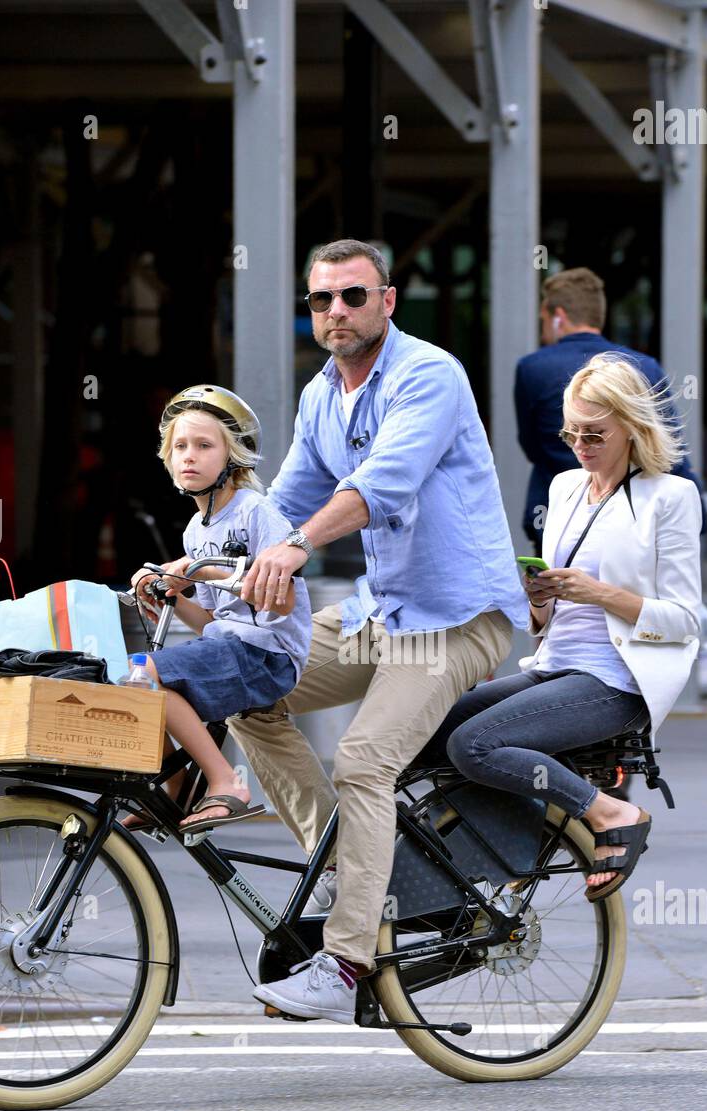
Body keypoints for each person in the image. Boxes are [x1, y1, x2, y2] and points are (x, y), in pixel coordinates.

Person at [226, 237, 528, 1024]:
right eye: (322, 299)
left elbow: (383, 484)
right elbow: (283, 499)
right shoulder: (321, 393)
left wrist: (294, 550)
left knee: (363, 758)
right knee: (248, 689)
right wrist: (200, 558)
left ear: (387, 302)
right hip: (381, 613)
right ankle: (346, 864)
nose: (336, 312)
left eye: (353, 296)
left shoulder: (428, 374)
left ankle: (348, 960)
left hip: (457, 620)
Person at [421, 352, 702, 900]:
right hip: (554, 667)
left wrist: (597, 593)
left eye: (595, 432)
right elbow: (550, 620)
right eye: (572, 431)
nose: (580, 444)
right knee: (423, 729)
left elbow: (684, 622)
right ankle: (503, 848)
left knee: (474, 744)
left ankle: (612, 812)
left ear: (632, 427)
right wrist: (540, 601)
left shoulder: (670, 496)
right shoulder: (565, 488)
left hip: (616, 681)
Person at [127, 385, 312, 835]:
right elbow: (211, 622)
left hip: (266, 656)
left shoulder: (256, 513)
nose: (188, 456)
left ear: (235, 457)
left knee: (147, 670)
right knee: (134, 677)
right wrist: (174, 595)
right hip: (229, 645)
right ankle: (177, 790)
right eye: (179, 447)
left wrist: (199, 571)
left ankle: (226, 781)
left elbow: (281, 602)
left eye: (204, 446)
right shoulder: (196, 528)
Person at [515, 266, 706, 543]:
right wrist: (695, 509)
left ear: (559, 318)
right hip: (630, 517)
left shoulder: (532, 368)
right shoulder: (644, 366)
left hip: (556, 517)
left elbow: (531, 446)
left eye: (543, 318)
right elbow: (667, 447)